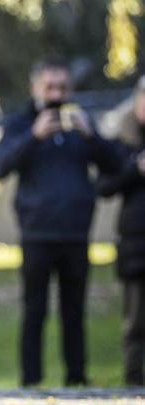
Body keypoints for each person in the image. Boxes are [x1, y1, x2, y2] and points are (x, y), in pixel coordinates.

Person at [0, 56, 120, 388]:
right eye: (50, 86)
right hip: (37, 233)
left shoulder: (81, 124)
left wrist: (91, 136)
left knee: (74, 312)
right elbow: (0, 166)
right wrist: (33, 137)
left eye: (62, 87)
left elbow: (114, 166)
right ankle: (31, 381)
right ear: (35, 87)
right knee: (34, 311)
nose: (56, 93)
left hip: (76, 233)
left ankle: (76, 378)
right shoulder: (20, 124)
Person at [97, 76, 145, 387]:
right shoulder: (121, 143)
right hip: (137, 244)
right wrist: (135, 170)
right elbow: (104, 186)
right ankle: (134, 382)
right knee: (136, 321)